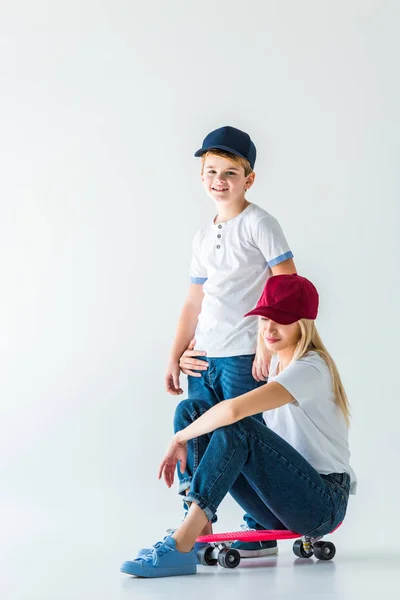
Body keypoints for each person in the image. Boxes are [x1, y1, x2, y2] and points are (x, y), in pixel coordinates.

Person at [121, 274, 357, 578]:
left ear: (304, 322)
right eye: (263, 320)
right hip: (280, 503)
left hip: (322, 503)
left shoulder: (311, 368)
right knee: (191, 410)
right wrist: (183, 358)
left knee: (238, 427)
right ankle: (198, 531)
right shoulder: (273, 366)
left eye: (281, 321)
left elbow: (233, 410)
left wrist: (178, 438)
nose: (269, 329)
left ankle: (181, 542)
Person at [164, 125, 296, 556]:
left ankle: (261, 525)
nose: (219, 180)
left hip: (242, 355)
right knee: (199, 432)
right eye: (211, 171)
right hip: (204, 356)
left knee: (244, 437)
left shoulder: (260, 223)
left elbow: (286, 285)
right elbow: (193, 302)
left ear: (249, 179)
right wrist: (175, 355)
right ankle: (197, 521)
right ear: (202, 176)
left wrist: (266, 341)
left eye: (230, 173)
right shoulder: (203, 235)